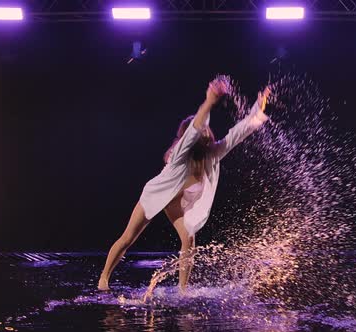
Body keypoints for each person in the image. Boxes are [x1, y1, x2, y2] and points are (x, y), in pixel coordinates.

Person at [98, 78, 271, 292]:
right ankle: (104, 278)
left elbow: (238, 133)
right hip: (156, 194)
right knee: (128, 238)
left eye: (207, 129)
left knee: (189, 240)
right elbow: (194, 130)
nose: (205, 131)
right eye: (201, 129)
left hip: (177, 200)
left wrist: (258, 109)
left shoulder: (213, 153)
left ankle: (182, 289)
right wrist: (209, 102)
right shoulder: (180, 152)